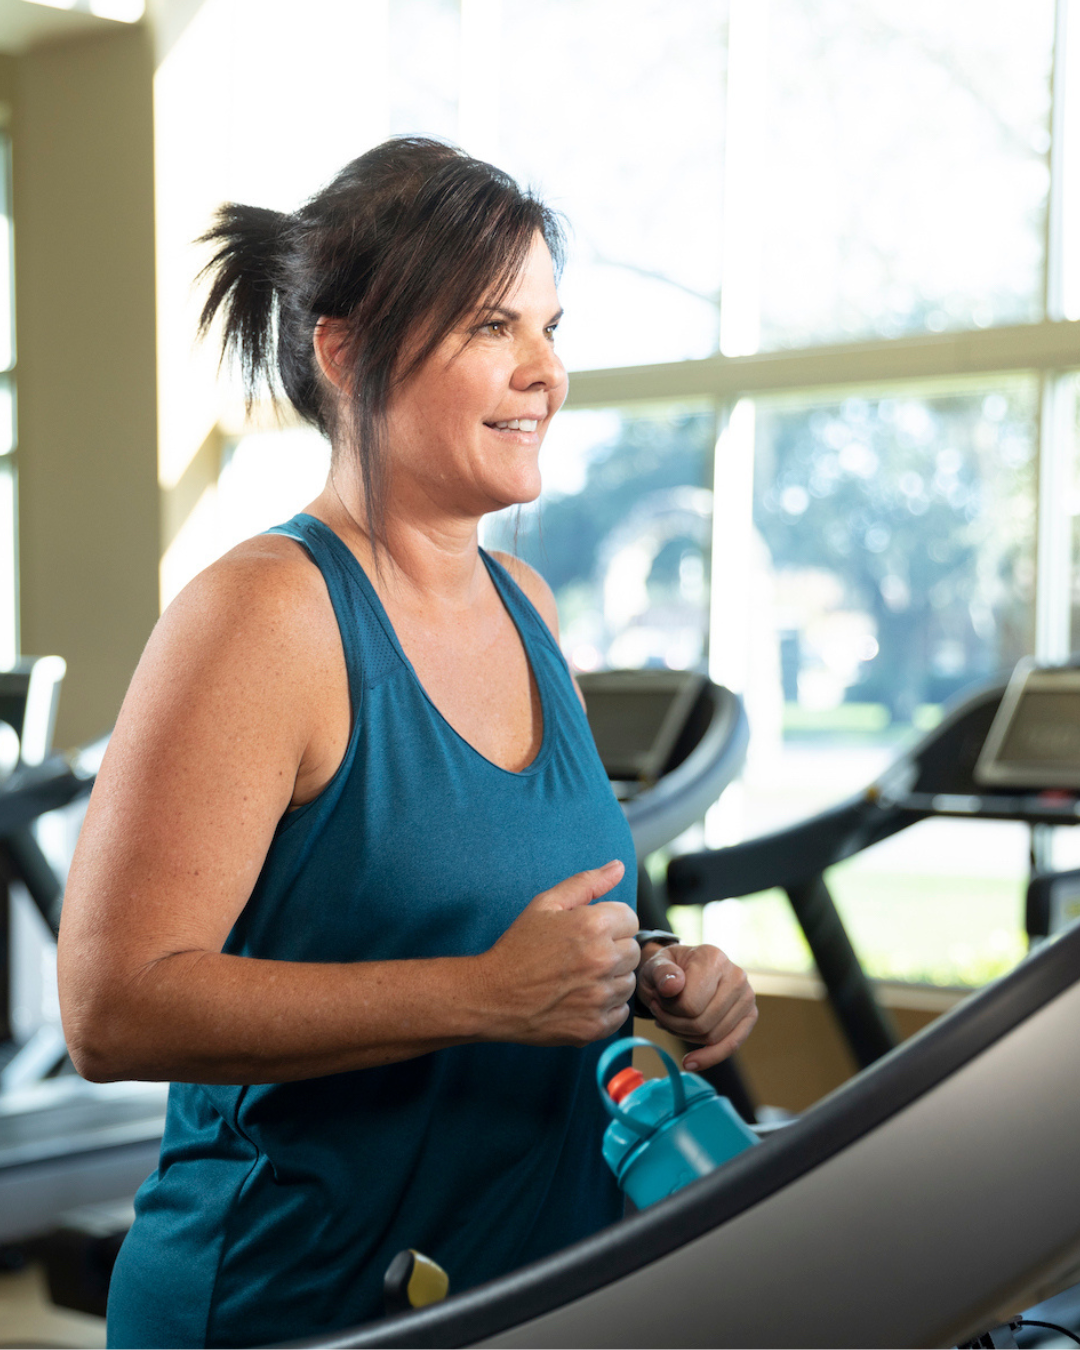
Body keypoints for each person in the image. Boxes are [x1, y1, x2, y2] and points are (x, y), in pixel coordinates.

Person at [57, 137, 757, 1349]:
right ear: (344, 350)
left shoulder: (528, 606)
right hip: (299, 1303)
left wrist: (652, 973)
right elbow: (113, 1007)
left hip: (532, 1290)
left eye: (551, 327)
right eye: (494, 327)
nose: (546, 372)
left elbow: (499, 912)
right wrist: (484, 997)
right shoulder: (265, 616)